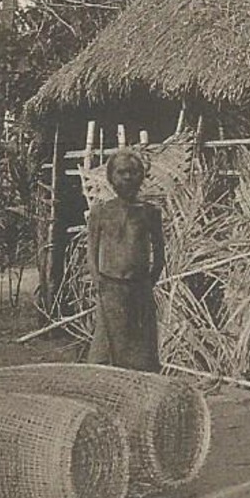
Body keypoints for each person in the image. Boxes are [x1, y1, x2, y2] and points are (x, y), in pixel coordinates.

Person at [83, 147, 166, 372]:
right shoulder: (100, 212)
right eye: (121, 172)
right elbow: (92, 248)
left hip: (139, 287)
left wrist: (147, 282)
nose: (127, 177)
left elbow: (159, 253)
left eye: (132, 172)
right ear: (111, 177)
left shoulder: (149, 212)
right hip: (110, 287)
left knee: (141, 346)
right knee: (105, 347)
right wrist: (97, 278)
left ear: (141, 176)